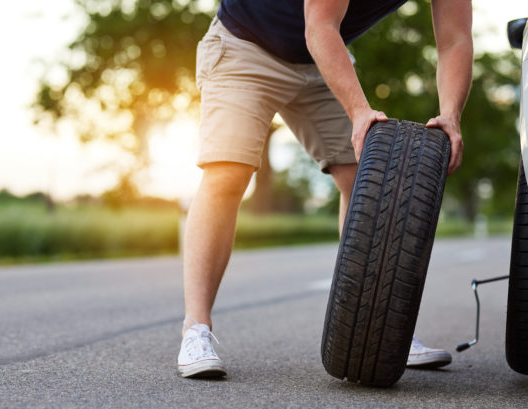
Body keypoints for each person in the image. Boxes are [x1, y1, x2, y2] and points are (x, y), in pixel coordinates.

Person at [177, 0, 473, 378]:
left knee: (362, 176)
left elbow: (455, 40)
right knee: (228, 173)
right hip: (245, 45)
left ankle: (374, 329)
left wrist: (451, 114)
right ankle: (195, 330)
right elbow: (319, 26)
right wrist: (359, 112)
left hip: (318, 58)